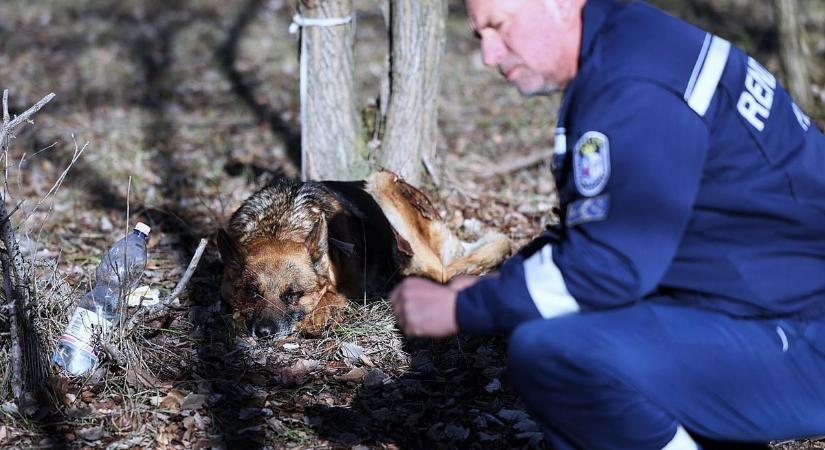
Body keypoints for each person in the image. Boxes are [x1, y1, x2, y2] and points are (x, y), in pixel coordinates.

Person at [390, 0, 825, 448]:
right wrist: (502, 285)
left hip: (801, 331)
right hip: (767, 300)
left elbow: (609, 265)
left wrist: (464, 308)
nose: (489, 54)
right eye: (481, 36)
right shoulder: (634, 41)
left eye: (499, 27)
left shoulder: (632, 83)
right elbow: (613, 229)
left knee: (555, 354)